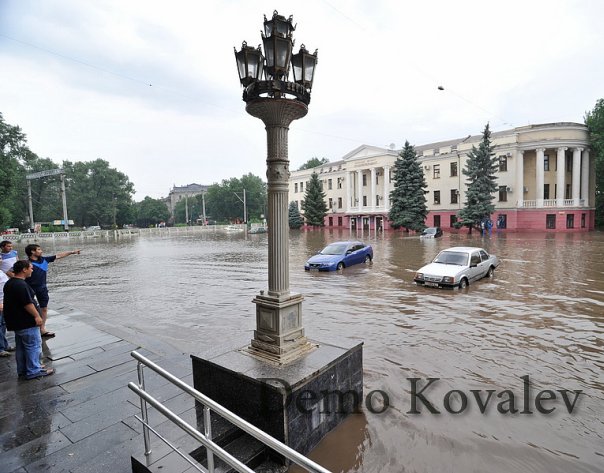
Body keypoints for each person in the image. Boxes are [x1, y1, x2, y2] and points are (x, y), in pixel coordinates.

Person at [3, 260, 54, 379]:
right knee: (33, 345)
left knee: (21, 347)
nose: (32, 270)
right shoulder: (21, 285)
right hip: (26, 322)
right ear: (24, 269)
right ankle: (33, 370)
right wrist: (37, 316)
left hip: (17, 322)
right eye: (31, 268)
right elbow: (27, 303)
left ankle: (24, 369)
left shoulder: (10, 283)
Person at [24, 244, 81, 338]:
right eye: (39, 249)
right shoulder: (26, 263)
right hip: (29, 288)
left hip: (42, 288)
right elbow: (13, 272)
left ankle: (42, 329)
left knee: (44, 308)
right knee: (29, 308)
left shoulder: (45, 260)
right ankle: (29, 328)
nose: (41, 251)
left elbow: (59, 255)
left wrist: (72, 252)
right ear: (32, 252)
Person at [0, 269, 16, 356]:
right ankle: (1, 348)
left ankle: (4, 345)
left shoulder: (1, 271)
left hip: (4, 303)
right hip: (0, 304)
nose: (1, 260)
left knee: (3, 325)